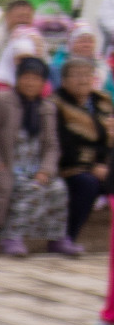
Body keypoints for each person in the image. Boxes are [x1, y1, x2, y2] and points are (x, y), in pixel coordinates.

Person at [0, 60, 70, 256]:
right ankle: (11, 237)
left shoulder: (47, 107)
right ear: (18, 79)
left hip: (36, 168)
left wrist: (45, 170)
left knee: (58, 187)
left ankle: (56, 238)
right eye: (26, 77)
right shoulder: (2, 100)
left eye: (36, 79)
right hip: (6, 166)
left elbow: (52, 146)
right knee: (29, 187)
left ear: (43, 83)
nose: (30, 83)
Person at [57, 56, 112, 248]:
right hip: (69, 165)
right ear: (64, 80)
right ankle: (67, 237)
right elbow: (63, 143)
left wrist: (104, 163)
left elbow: (110, 138)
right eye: (77, 76)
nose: (83, 80)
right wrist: (91, 166)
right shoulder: (57, 103)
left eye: (87, 75)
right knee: (87, 183)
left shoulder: (102, 101)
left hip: (103, 164)